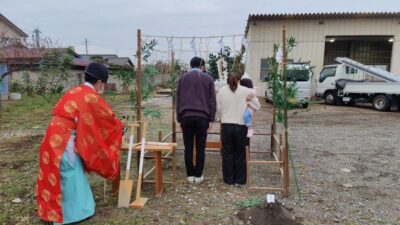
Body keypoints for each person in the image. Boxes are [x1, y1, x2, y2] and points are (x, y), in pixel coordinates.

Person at [36, 62, 124, 224]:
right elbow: (107, 121)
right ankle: (73, 214)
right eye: (103, 84)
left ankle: (50, 211)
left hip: (52, 135)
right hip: (65, 141)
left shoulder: (74, 91)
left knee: (53, 174)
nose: (101, 88)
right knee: (70, 174)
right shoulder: (91, 97)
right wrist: (120, 126)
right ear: (99, 83)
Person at [176, 57, 216, 184]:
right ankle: (198, 176)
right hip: (202, 117)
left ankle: (190, 175)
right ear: (201, 66)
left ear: (190, 64)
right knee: (200, 148)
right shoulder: (208, 79)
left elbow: (178, 99)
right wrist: (211, 119)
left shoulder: (182, 78)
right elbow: (212, 101)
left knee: (188, 147)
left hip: (186, 117)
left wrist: (179, 118)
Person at [217, 73, 260, 185]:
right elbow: (257, 105)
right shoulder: (245, 90)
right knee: (240, 153)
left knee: (227, 153)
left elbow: (218, 107)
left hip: (226, 125)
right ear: (239, 80)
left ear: (227, 80)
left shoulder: (221, 90)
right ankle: (240, 180)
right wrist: (248, 100)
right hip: (241, 126)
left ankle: (228, 179)